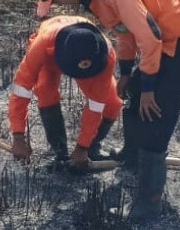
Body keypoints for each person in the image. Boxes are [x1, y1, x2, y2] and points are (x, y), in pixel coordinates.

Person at [27, 0, 180, 221]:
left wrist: (148, 87)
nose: (58, 6)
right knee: (133, 94)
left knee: (157, 108)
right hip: (156, 36)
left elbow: (149, 35)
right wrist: (125, 73)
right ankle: (132, 156)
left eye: (55, 0)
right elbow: (124, 30)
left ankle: (149, 200)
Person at [7, 16, 121, 169]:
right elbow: (21, 89)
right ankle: (60, 153)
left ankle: (91, 149)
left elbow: (96, 105)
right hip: (52, 53)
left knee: (112, 103)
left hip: (91, 63)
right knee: (45, 90)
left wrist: (83, 146)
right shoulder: (42, 45)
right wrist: (18, 137)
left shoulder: (106, 56)